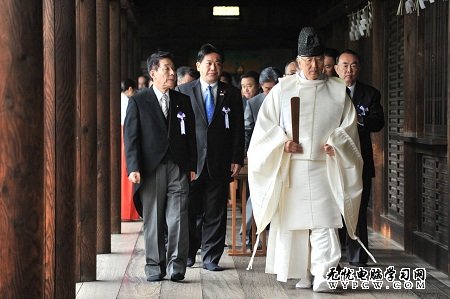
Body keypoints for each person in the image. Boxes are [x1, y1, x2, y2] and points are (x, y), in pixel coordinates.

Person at [247, 27, 364, 292]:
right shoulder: (282, 89)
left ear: (324, 60)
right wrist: (282, 142)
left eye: (317, 60)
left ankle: (324, 274)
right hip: (294, 167)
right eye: (307, 60)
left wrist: (337, 143)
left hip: (325, 166)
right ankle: (302, 274)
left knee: (325, 221)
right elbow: (264, 128)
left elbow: (349, 126)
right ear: (298, 61)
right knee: (296, 224)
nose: (313, 65)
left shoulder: (337, 90)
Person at [124, 51, 197, 282]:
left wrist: (192, 165)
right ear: (153, 73)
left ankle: (177, 264)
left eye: (173, 69)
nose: (172, 73)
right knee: (153, 219)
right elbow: (131, 136)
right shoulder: (139, 100)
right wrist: (133, 167)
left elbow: (191, 137)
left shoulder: (182, 100)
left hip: (178, 166)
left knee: (178, 217)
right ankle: (154, 265)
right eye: (166, 69)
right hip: (150, 167)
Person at [176, 43, 244, 271]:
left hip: (219, 160)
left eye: (217, 63)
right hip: (192, 162)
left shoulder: (232, 93)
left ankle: (211, 258)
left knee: (216, 211)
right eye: (208, 63)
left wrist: (237, 157)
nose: (213, 67)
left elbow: (237, 129)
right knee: (189, 210)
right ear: (198, 65)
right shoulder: (184, 91)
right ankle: (187, 254)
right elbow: (177, 131)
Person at [335, 49, 385, 267]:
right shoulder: (328, 91)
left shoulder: (370, 94)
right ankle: (333, 257)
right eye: (344, 65)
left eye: (353, 65)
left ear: (359, 68)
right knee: (334, 209)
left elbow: (377, 122)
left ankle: (358, 259)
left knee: (359, 208)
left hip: (360, 159)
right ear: (336, 68)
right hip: (333, 159)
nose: (348, 70)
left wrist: (356, 120)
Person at [242, 66, 280, 247]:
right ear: (260, 87)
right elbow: (247, 130)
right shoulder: (253, 103)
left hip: (282, 154)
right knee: (256, 194)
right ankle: (248, 234)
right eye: (266, 89)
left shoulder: (286, 99)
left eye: (273, 88)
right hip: (260, 155)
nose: (269, 93)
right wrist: (246, 154)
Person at [120, 78, 139, 221]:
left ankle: (126, 211)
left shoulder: (121, 100)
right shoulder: (128, 101)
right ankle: (128, 211)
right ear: (131, 89)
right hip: (125, 138)